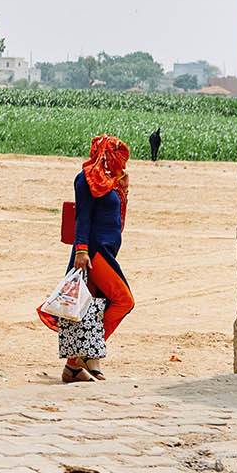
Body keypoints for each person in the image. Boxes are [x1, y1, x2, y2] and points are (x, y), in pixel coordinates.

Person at [43, 134, 137, 382]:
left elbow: (117, 221)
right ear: (108, 156)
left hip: (107, 251)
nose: (124, 165)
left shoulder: (111, 182)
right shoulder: (86, 179)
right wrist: (81, 250)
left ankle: (73, 367)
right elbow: (82, 217)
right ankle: (87, 354)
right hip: (93, 253)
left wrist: (124, 191)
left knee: (94, 306)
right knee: (123, 300)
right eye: (120, 159)